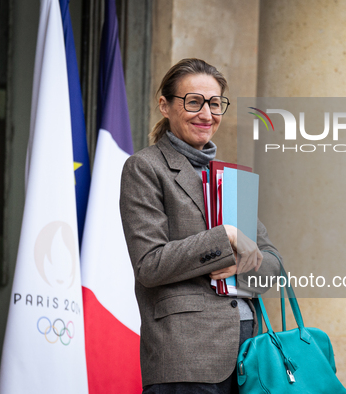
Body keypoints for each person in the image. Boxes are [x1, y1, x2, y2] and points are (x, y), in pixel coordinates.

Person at [119, 58, 281, 394]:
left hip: (249, 358)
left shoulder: (232, 179)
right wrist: (228, 237)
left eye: (215, 103)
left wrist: (242, 265)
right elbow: (150, 265)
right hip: (186, 357)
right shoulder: (145, 168)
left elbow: (274, 266)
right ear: (165, 105)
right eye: (193, 101)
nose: (206, 114)